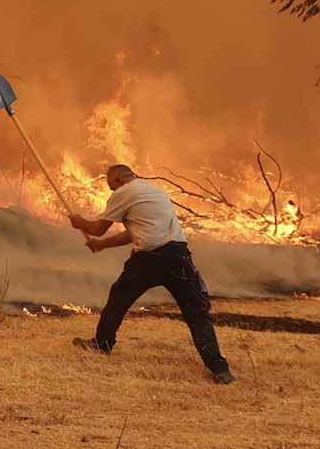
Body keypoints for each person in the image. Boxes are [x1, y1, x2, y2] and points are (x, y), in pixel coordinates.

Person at [68, 163, 235, 385]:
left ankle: (102, 345)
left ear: (118, 181)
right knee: (196, 313)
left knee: (119, 297)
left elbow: (97, 228)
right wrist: (103, 245)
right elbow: (135, 231)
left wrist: (80, 223)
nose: (112, 191)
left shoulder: (124, 193)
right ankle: (220, 369)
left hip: (148, 260)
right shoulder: (155, 191)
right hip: (179, 257)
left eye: (111, 186)